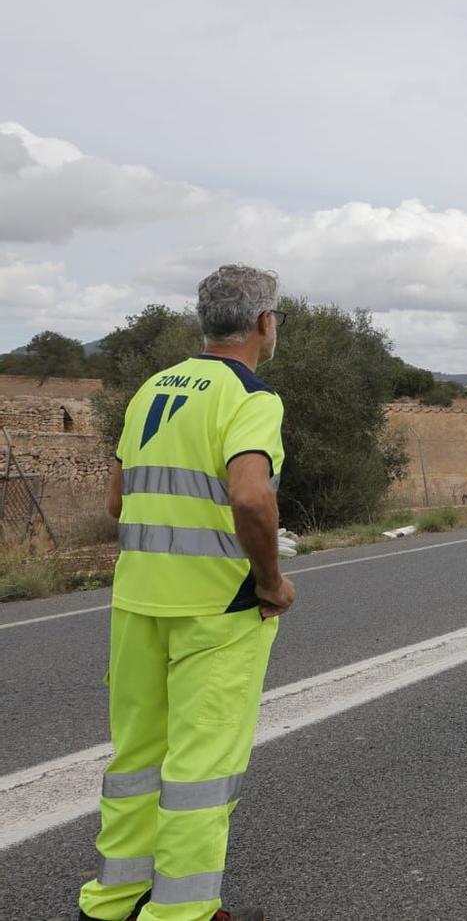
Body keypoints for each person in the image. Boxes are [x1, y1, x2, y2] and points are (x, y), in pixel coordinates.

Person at [78, 264, 294, 921]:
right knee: (201, 771)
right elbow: (252, 494)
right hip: (216, 608)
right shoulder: (251, 397)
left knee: (138, 759)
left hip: (137, 599)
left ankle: (112, 900)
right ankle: (179, 913)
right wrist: (269, 579)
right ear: (263, 322)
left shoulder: (150, 389)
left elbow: (117, 498)